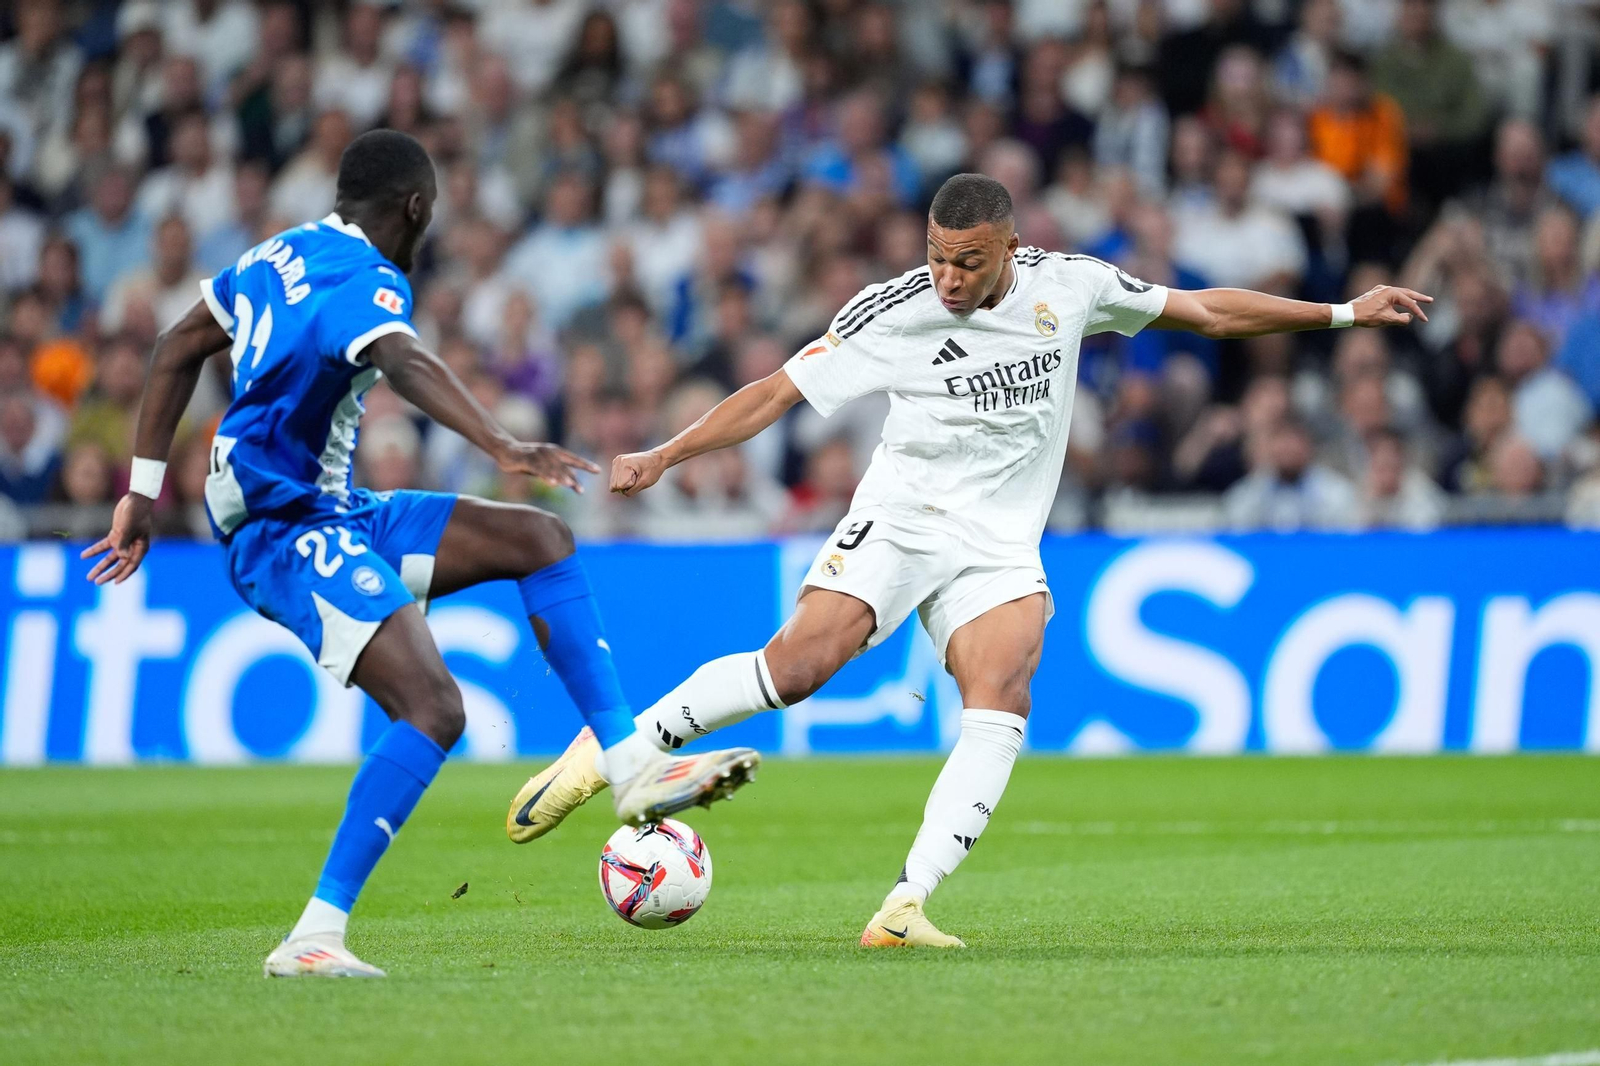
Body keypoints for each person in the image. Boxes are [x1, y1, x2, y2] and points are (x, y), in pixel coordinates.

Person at [505, 173, 1433, 947]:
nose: (948, 277)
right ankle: (612, 753)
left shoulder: (1069, 286)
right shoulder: (893, 313)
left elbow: (1206, 313)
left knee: (1004, 691)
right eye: (938, 256)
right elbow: (775, 391)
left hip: (999, 542)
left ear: (1009, 248)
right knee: (798, 669)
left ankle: (905, 905)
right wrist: (668, 452)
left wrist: (1344, 311)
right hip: (904, 517)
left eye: (969, 261)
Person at [81, 130, 759, 979]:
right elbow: (402, 359)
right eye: (429, 215)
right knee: (435, 707)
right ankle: (315, 937)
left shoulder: (278, 251)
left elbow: (176, 345)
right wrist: (503, 442)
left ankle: (628, 767)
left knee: (539, 538)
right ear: (414, 207)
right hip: (286, 527)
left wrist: (141, 493)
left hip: (337, 507)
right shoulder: (369, 280)